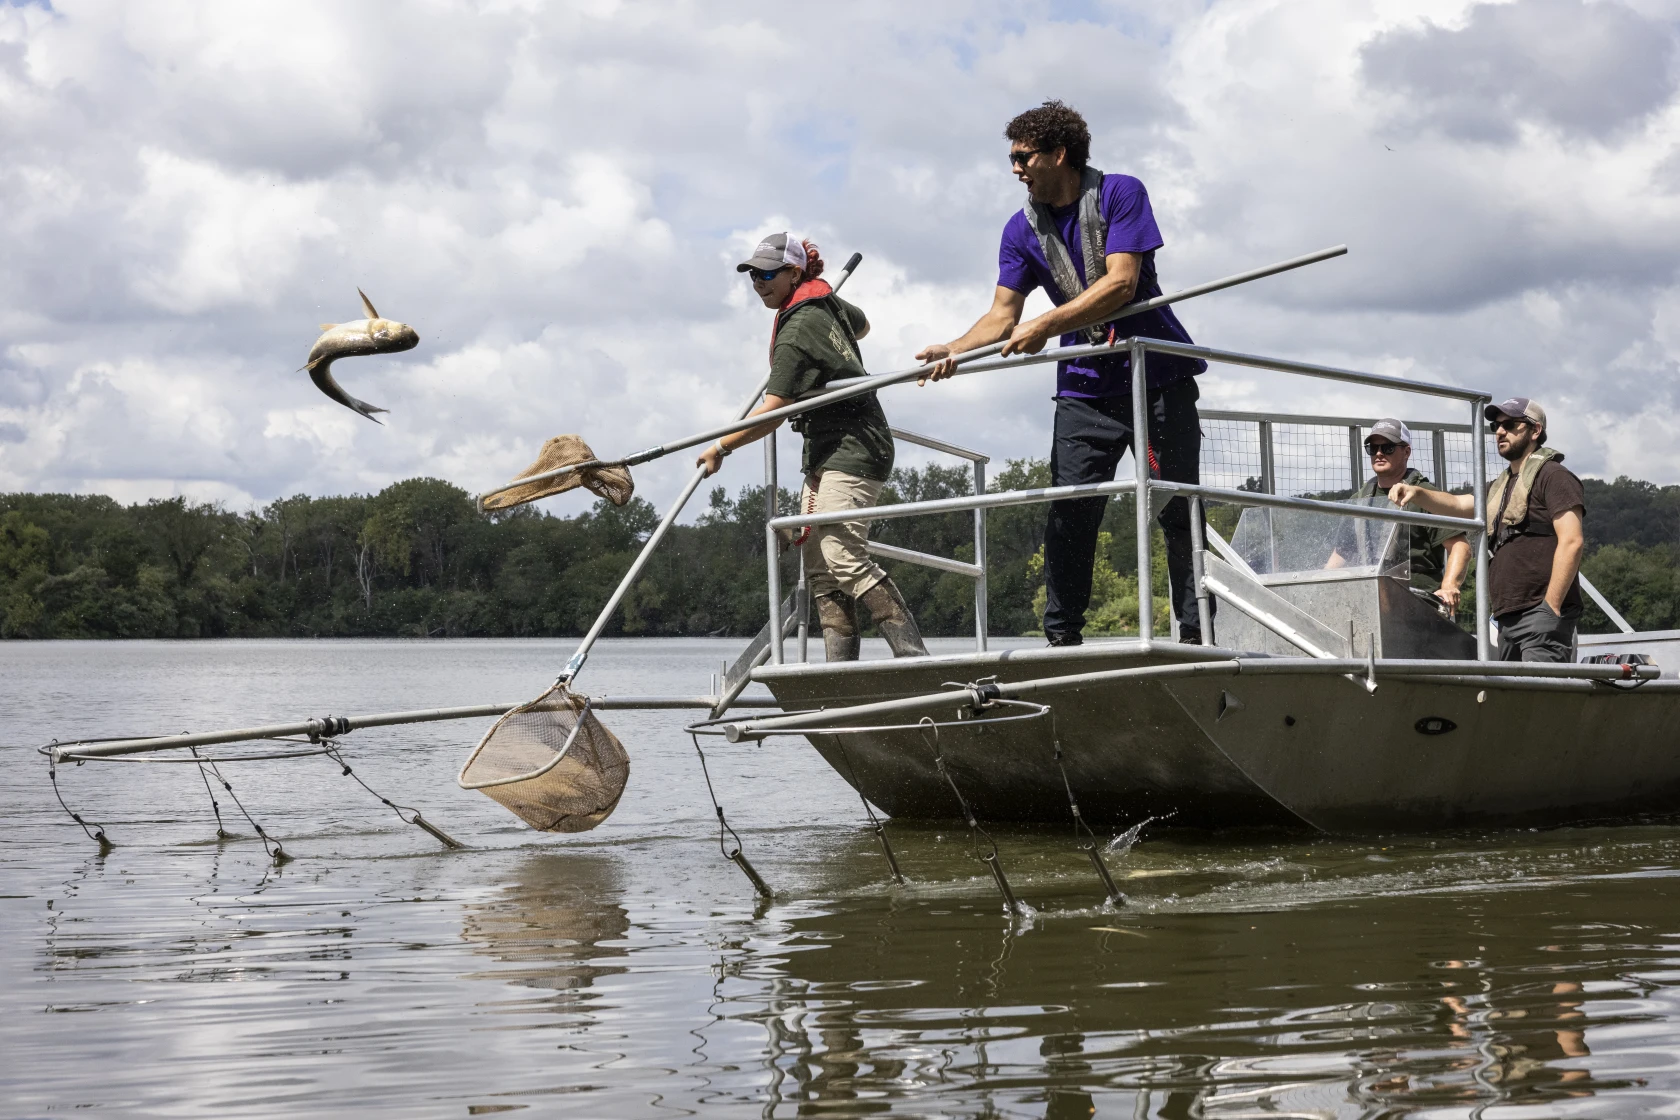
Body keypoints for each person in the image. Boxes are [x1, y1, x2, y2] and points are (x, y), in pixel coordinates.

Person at [914, 100, 1208, 646]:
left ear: (1059, 154)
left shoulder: (1121, 192)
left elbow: (1121, 283)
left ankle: (1196, 635)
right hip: (1084, 390)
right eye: (1012, 158)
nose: (1015, 169)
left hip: (1158, 378)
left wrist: (1046, 324)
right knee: (1070, 512)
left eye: (1023, 157)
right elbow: (1003, 315)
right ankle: (1062, 642)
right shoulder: (1019, 228)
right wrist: (954, 348)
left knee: (1176, 508)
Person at [698, 232, 927, 662]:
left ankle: (915, 660)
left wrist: (721, 448)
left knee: (843, 555)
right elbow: (862, 325)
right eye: (753, 276)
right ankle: (839, 675)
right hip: (824, 450)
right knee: (820, 568)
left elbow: (773, 412)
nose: (759, 284)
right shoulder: (824, 301)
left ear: (793, 273)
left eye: (768, 275)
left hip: (854, 446)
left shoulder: (798, 329)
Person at [1389, 398, 1585, 662]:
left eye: (1510, 424)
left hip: (1541, 616)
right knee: (1514, 690)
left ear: (1535, 430)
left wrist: (1551, 607)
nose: (1500, 431)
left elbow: (1572, 541)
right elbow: (1458, 505)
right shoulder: (1498, 487)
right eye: (1496, 426)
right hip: (1508, 619)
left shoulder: (1554, 476)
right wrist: (1417, 493)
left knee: (1540, 688)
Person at [1326, 418, 1470, 612]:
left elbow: (1460, 547)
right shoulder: (1359, 500)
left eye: (1388, 448)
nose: (1379, 453)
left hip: (1418, 604)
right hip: (1371, 603)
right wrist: (1319, 587)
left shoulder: (1425, 496)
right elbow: (1341, 553)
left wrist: (1449, 587)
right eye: (1372, 448)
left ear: (1406, 452)